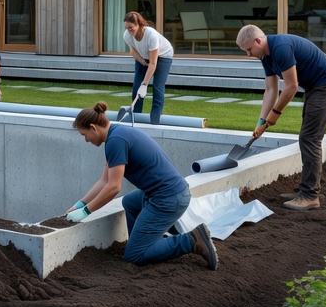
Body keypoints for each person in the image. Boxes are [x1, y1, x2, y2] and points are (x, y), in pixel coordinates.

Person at [68, 101, 218, 269]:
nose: (86, 140)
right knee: (130, 202)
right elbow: (104, 181)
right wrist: (80, 204)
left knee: (134, 255)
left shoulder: (115, 142)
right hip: (171, 193)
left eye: (84, 134)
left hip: (168, 199)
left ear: (93, 127)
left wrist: (86, 211)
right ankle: (145, 242)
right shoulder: (117, 134)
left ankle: (191, 240)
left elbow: (113, 187)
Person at [236, 25, 326, 211]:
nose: (248, 54)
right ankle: (306, 191)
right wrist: (261, 121)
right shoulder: (266, 56)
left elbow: (292, 86)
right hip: (315, 87)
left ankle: (310, 196)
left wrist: (275, 114)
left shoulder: (280, 48)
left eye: (249, 49)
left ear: (258, 41)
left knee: (310, 138)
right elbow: (271, 89)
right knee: (308, 138)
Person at [122, 11, 174, 124]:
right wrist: (143, 62)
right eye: (127, 28)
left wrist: (145, 84)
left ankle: (155, 121)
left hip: (163, 56)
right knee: (137, 87)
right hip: (143, 57)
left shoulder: (151, 35)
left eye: (131, 27)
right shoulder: (127, 35)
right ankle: (136, 119)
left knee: (157, 87)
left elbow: (153, 63)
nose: (129, 30)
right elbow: (134, 52)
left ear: (139, 25)